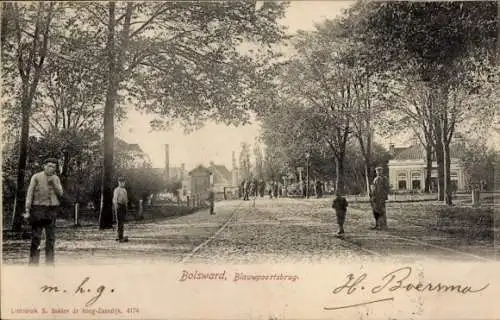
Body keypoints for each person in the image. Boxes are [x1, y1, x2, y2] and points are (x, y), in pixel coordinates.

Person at [24, 157, 64, 265]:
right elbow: (29, 194)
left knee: (51, 238)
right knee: (36, 238)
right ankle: (33, 264)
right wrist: (27, 210)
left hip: (52, 210)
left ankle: (50, 264)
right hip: (38, 209)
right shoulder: (36, 177)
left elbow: (61, 193)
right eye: (49, 166)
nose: (51, 169)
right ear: (44, 166)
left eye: (54, 167)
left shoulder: (56, 178)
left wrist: (54, 184)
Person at [113, 177, 129, 242]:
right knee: (119, 222)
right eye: (121, 182)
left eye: (123, 182)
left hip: (123, 206)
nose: (122, 183)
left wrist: (126, 206)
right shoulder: (117, 190)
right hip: (119, 206)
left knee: (122, 221)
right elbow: (115, 199)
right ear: (118, 182)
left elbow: (126, 199)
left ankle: (120, 235)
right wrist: (116, 207)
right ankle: (119, 237)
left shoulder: (124, 190)